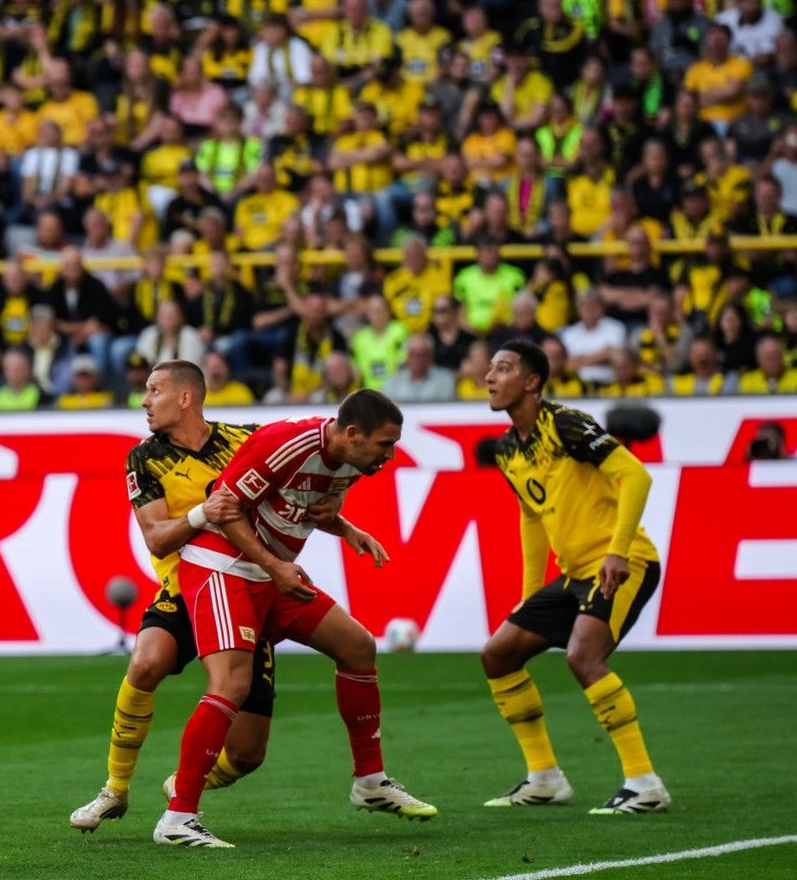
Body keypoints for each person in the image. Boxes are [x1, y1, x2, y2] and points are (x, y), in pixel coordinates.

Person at [158, 389, 438, 848]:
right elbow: (224, 506)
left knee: (358, 647)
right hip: (222, 568)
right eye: (385, 444)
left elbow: (301, 506)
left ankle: (370, 781)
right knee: (230, 683)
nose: (390, 455)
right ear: (352, 434)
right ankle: (178, 818)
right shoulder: (287, 442)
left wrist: (345, 527)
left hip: (273, 577)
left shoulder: (353, 462)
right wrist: (274, 567)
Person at [70, 360, 279, 832]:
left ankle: (182, 784)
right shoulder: (144, 459)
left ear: (185, 398)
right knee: (144, 663)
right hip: (185, 588)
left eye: (154, 390)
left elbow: (294, 486)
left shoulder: (247, 441)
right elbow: (158, 539)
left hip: (243, 591)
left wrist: (332, 509)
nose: (144, 401)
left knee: (247, 754)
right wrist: (204, 514)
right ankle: (114, 789)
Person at [478, 340, 669, 814]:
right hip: (573, 575)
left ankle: (645, 784)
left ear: (531, 382)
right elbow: (531, 517)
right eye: (489, 369)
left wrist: (618, 551)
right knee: (498, 654)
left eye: (503, 369)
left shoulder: (565, 423)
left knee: (583, 658)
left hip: (626, 563)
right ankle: (544, 778)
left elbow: (636, 476)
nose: (490, 377)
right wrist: (528, 595)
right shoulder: (507, 450)